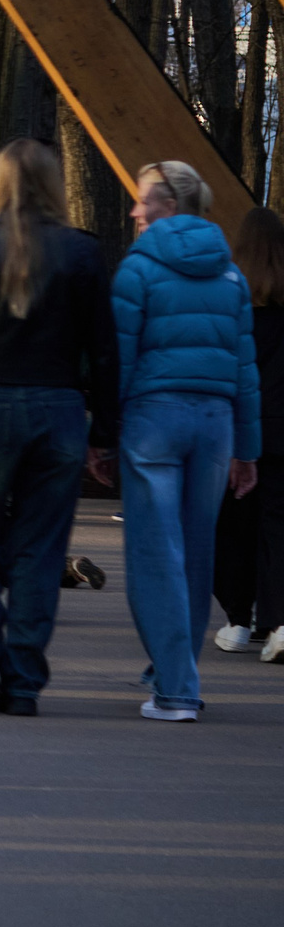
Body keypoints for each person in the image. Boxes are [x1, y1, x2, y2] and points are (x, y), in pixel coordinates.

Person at [0, 140, 120, 714]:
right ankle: (23, 681)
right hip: (59, 408)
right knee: (41, 548)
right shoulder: (83, 254)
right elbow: (104, 352)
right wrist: (104, 432)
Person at [114, 160, 261, 721]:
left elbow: (120, 359)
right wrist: (247, 449)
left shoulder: (138, 270)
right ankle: (168, 664)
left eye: (141, 200)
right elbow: (245, 370)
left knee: (155, 552)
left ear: (168, 206)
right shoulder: (231, 275)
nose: (134, 210)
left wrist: (103, 436)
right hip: (216, 423)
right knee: (197, 551)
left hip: (154, 418)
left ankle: (176, 690)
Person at [212, 208, 284, 661]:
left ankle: (239, 620)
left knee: (232, 527)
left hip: (240, 431)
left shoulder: (230, 302)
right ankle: (279, 622)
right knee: (278, 528)